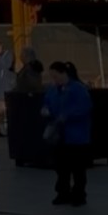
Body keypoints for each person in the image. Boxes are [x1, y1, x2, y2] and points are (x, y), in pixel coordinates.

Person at [43, 61, 92, 206]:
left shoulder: (78, 89)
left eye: (56, 76)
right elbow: (47, 102)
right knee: (61, 168)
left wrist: (67, 116)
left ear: (64, 74)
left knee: (78, 169)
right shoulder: (53, 90)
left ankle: (79, 195)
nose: (54, 80)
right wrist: (46, 109)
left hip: (76, 135)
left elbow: (85, 108)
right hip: (60, 136)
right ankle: (63, 193)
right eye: (52, 77)